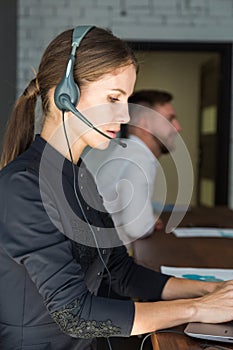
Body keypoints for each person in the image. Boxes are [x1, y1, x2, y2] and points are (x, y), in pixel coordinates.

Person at [0, 25, 233, 350]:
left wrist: (210, 291)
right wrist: (198, 308)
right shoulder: (22, 187)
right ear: (64, 94)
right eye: (113, 98)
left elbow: (120, 272)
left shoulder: (81, 176)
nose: (124, 116)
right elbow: (75, 314)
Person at [85, 89, 181, 246]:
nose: (177, 127)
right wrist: (149, 220)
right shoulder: (139, 159)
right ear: (144, 123)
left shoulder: (128, 152)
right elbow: (137, 229)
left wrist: (147, 217)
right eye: (170, 119)